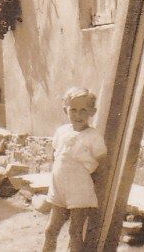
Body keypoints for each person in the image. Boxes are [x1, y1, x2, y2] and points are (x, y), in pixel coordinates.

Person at [42, 87, 107, 252]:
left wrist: (94, 185)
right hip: (59, 188)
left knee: (75, 232)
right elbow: (55, 155)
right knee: (50, 230)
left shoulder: (93, 137)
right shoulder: (61, 131)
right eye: (73, 110)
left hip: (79, 189)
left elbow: (103, 163)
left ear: (92, 111)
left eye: (83, 110)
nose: (78, 115)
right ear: (66, 110)